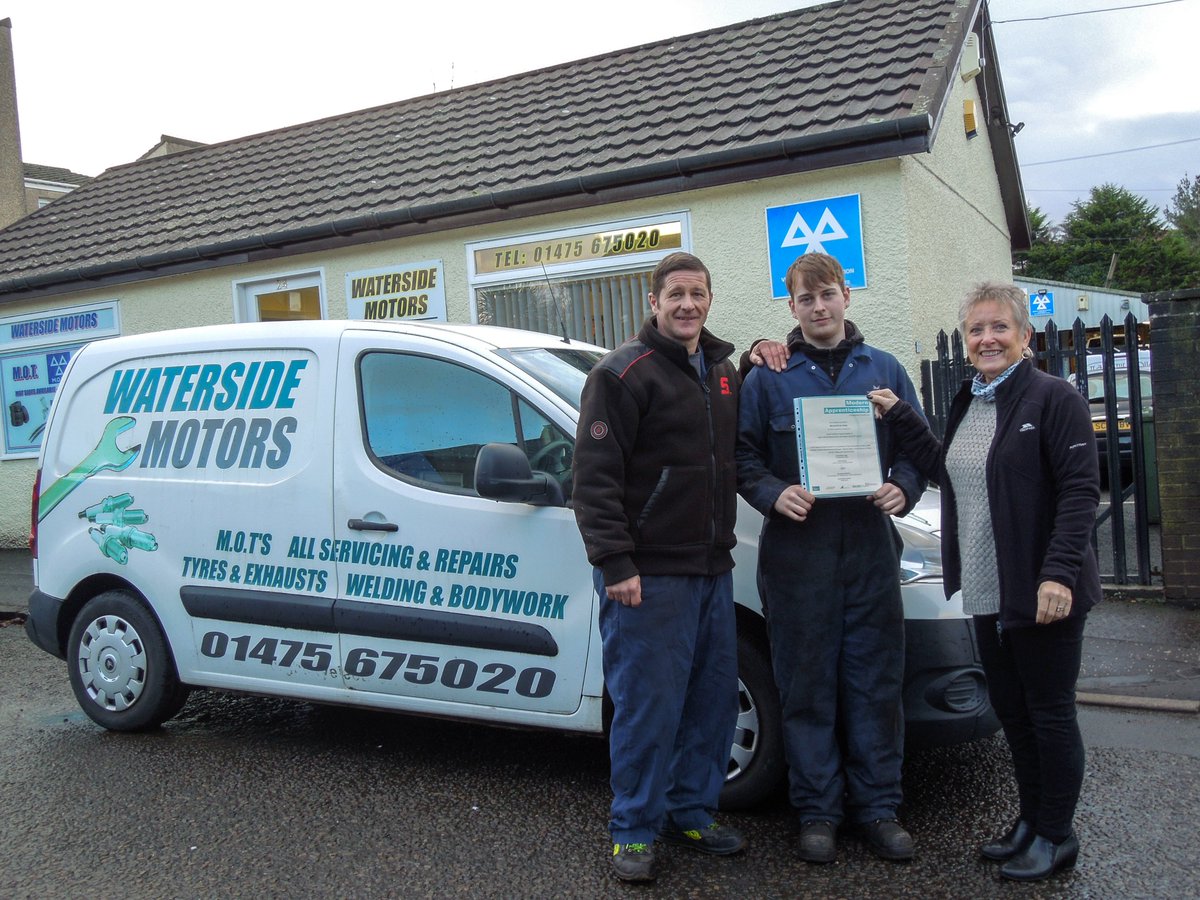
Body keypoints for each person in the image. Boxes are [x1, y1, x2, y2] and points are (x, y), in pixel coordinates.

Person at [868, 281, 1101, 882]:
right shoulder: (973, 397)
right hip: (987, 588)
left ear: (1025, 336)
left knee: (1049, 713)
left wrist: (1059, 574)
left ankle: (1057, 834)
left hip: (1043, 590)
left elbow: (1079, 493)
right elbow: (949, 462)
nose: (987, 338)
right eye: (977, 330)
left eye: (1000, 327)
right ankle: (1031, 821)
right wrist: (898, 412)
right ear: (967, 343)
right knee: (1015, 712)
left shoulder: (1055, 398)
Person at [736, 252, 924, 864]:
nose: (819, 308)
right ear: (790, 307)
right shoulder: (768, 377)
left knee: (874, 686)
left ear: (848, 296)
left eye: (828, 295)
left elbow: (917, 448)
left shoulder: (887, 368)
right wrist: (772, 492)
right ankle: (817, 811)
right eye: (805, 299)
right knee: (806, 686)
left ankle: (878, 809)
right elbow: (742, 459)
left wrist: (904, 485)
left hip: (869, 553)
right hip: (798, 558)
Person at [572, 251, 747, 882]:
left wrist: (760, 354)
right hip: (646, 576)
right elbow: (593, 481)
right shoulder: (622, 374)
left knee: (709, 702)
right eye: (675, 294)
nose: (687, 305)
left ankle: (691, 810)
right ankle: (633, 831)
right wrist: (616, 563)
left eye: (698, 294)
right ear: (654, 301)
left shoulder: (723, 372)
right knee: (648, 707)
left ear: (709, 299)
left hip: (711, 570)